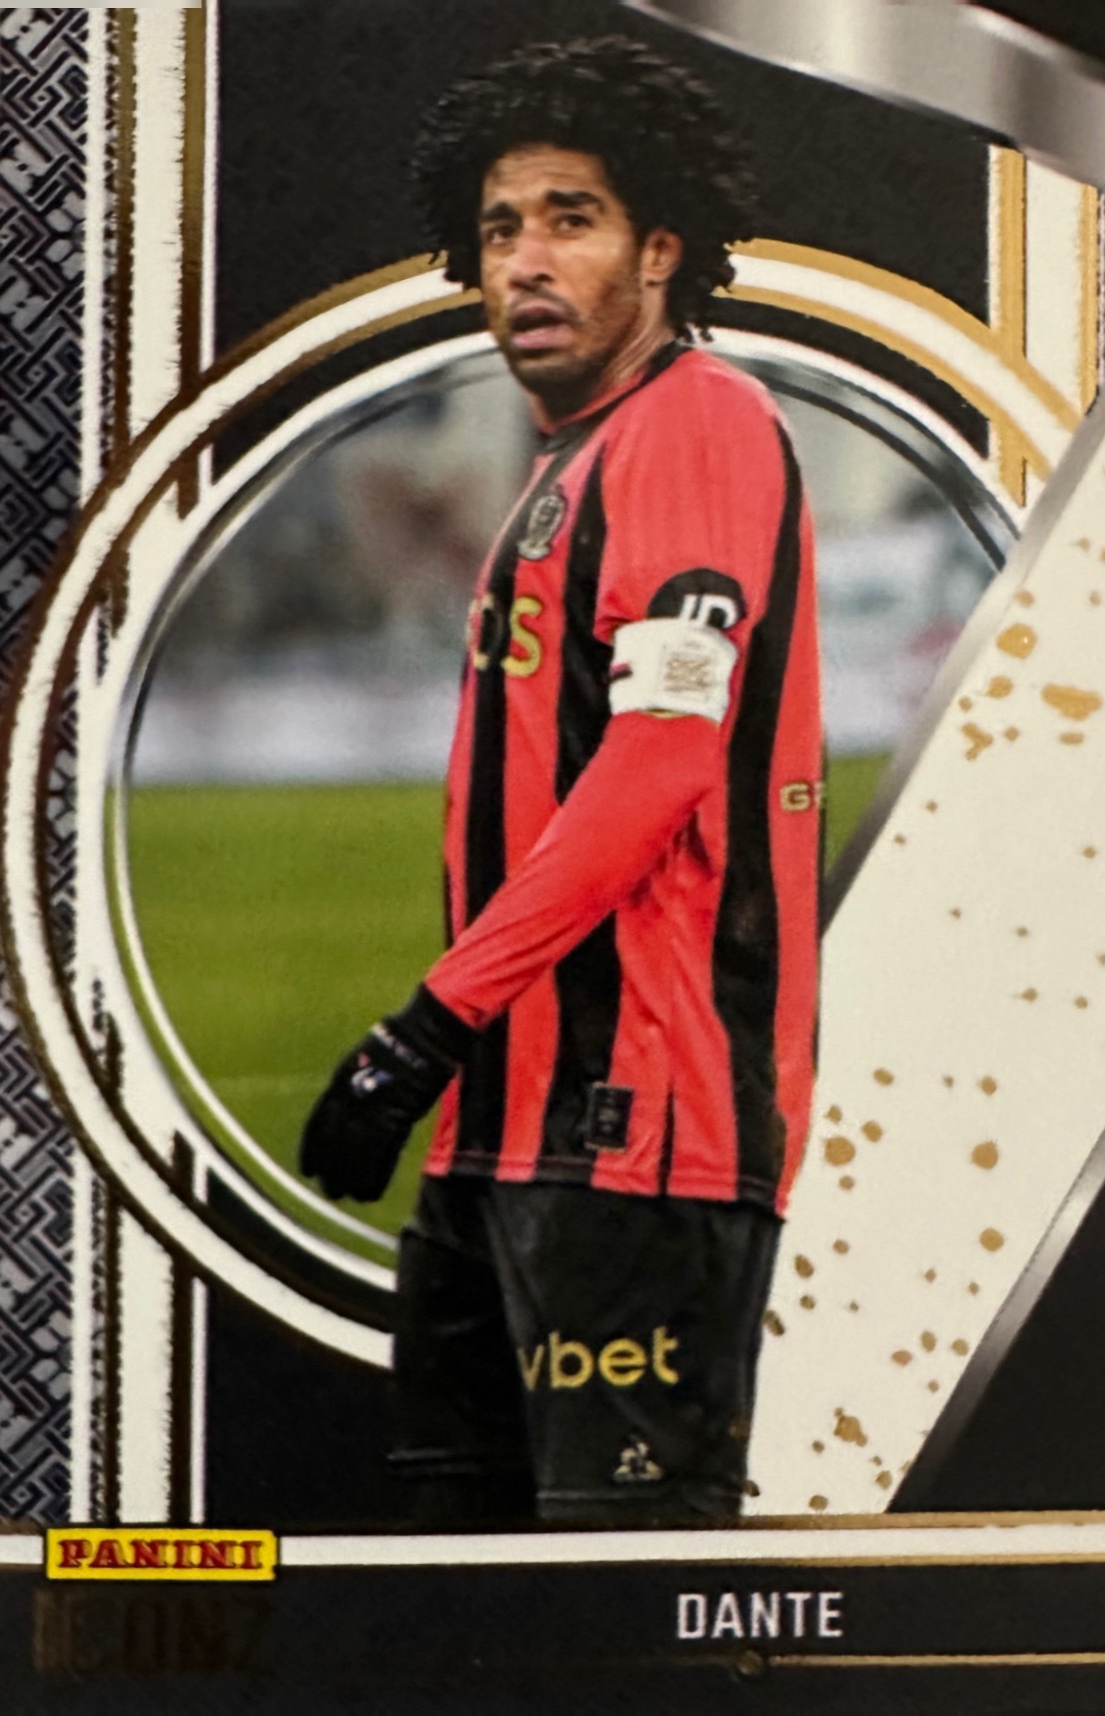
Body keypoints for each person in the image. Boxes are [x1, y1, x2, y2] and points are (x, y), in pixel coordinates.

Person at [300, 35, 823, 1527]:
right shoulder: (565, 466)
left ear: (659, 250)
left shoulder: (697, 422)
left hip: (635, 1138)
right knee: (462, 1592)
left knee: (619, 1603)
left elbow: (664, 757)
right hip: (501, 1138)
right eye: (498, 229)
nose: (524, 261)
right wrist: (457, 1068)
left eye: (570, 219)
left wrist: (424, 1031)